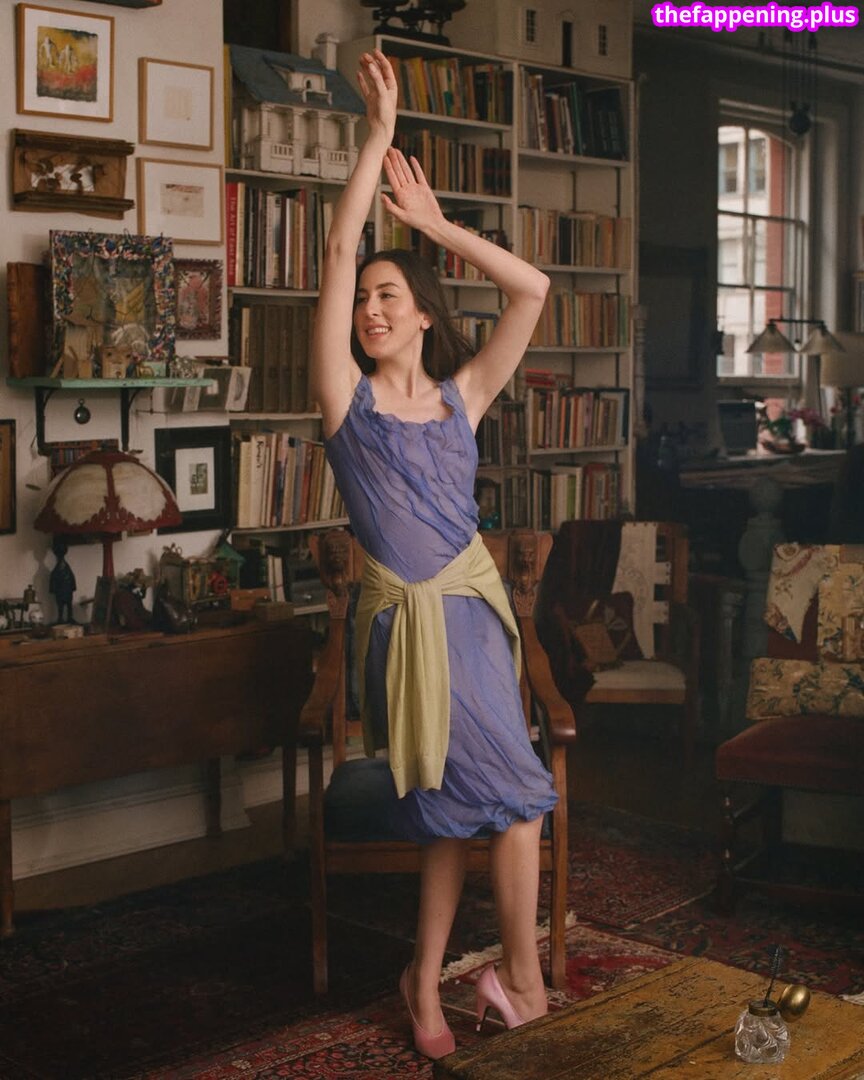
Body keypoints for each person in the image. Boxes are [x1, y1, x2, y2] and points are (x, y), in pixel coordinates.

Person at [312, 50, 556, 1060]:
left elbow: (532, 288)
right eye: (362, 299)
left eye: (388, 294)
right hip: (403, 627)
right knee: (517, 799)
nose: (369, 308)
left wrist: (436, 227)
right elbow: (336, 251)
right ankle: (520, 982)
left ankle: (427, 978)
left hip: (472, 619)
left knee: (466, 812)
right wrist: (376, 138)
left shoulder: (463, 398)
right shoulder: (348, 402)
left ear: (420, 309)